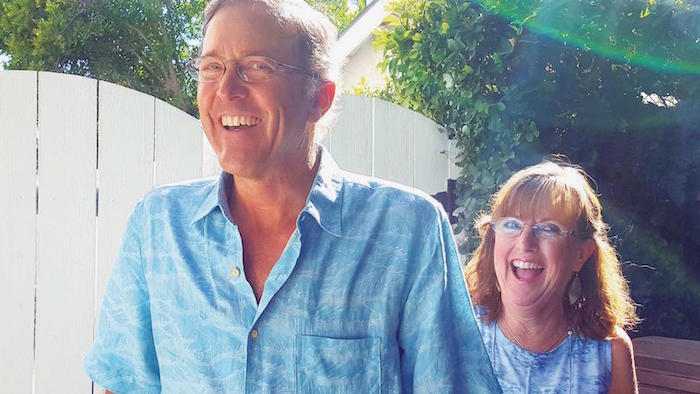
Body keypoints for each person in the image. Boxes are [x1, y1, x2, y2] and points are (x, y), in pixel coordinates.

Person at [84, 0, 501, 392]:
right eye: (212, 66)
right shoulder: (158, 227)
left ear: (319, 98)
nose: (226, 89)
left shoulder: (406, 232)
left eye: (257, 66)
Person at [464, 160, 640, 393]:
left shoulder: (609, 353)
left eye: (548, 228)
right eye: (512, 224)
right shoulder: (458, 331)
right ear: (493, 239)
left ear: (580, 254)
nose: (525, 243)